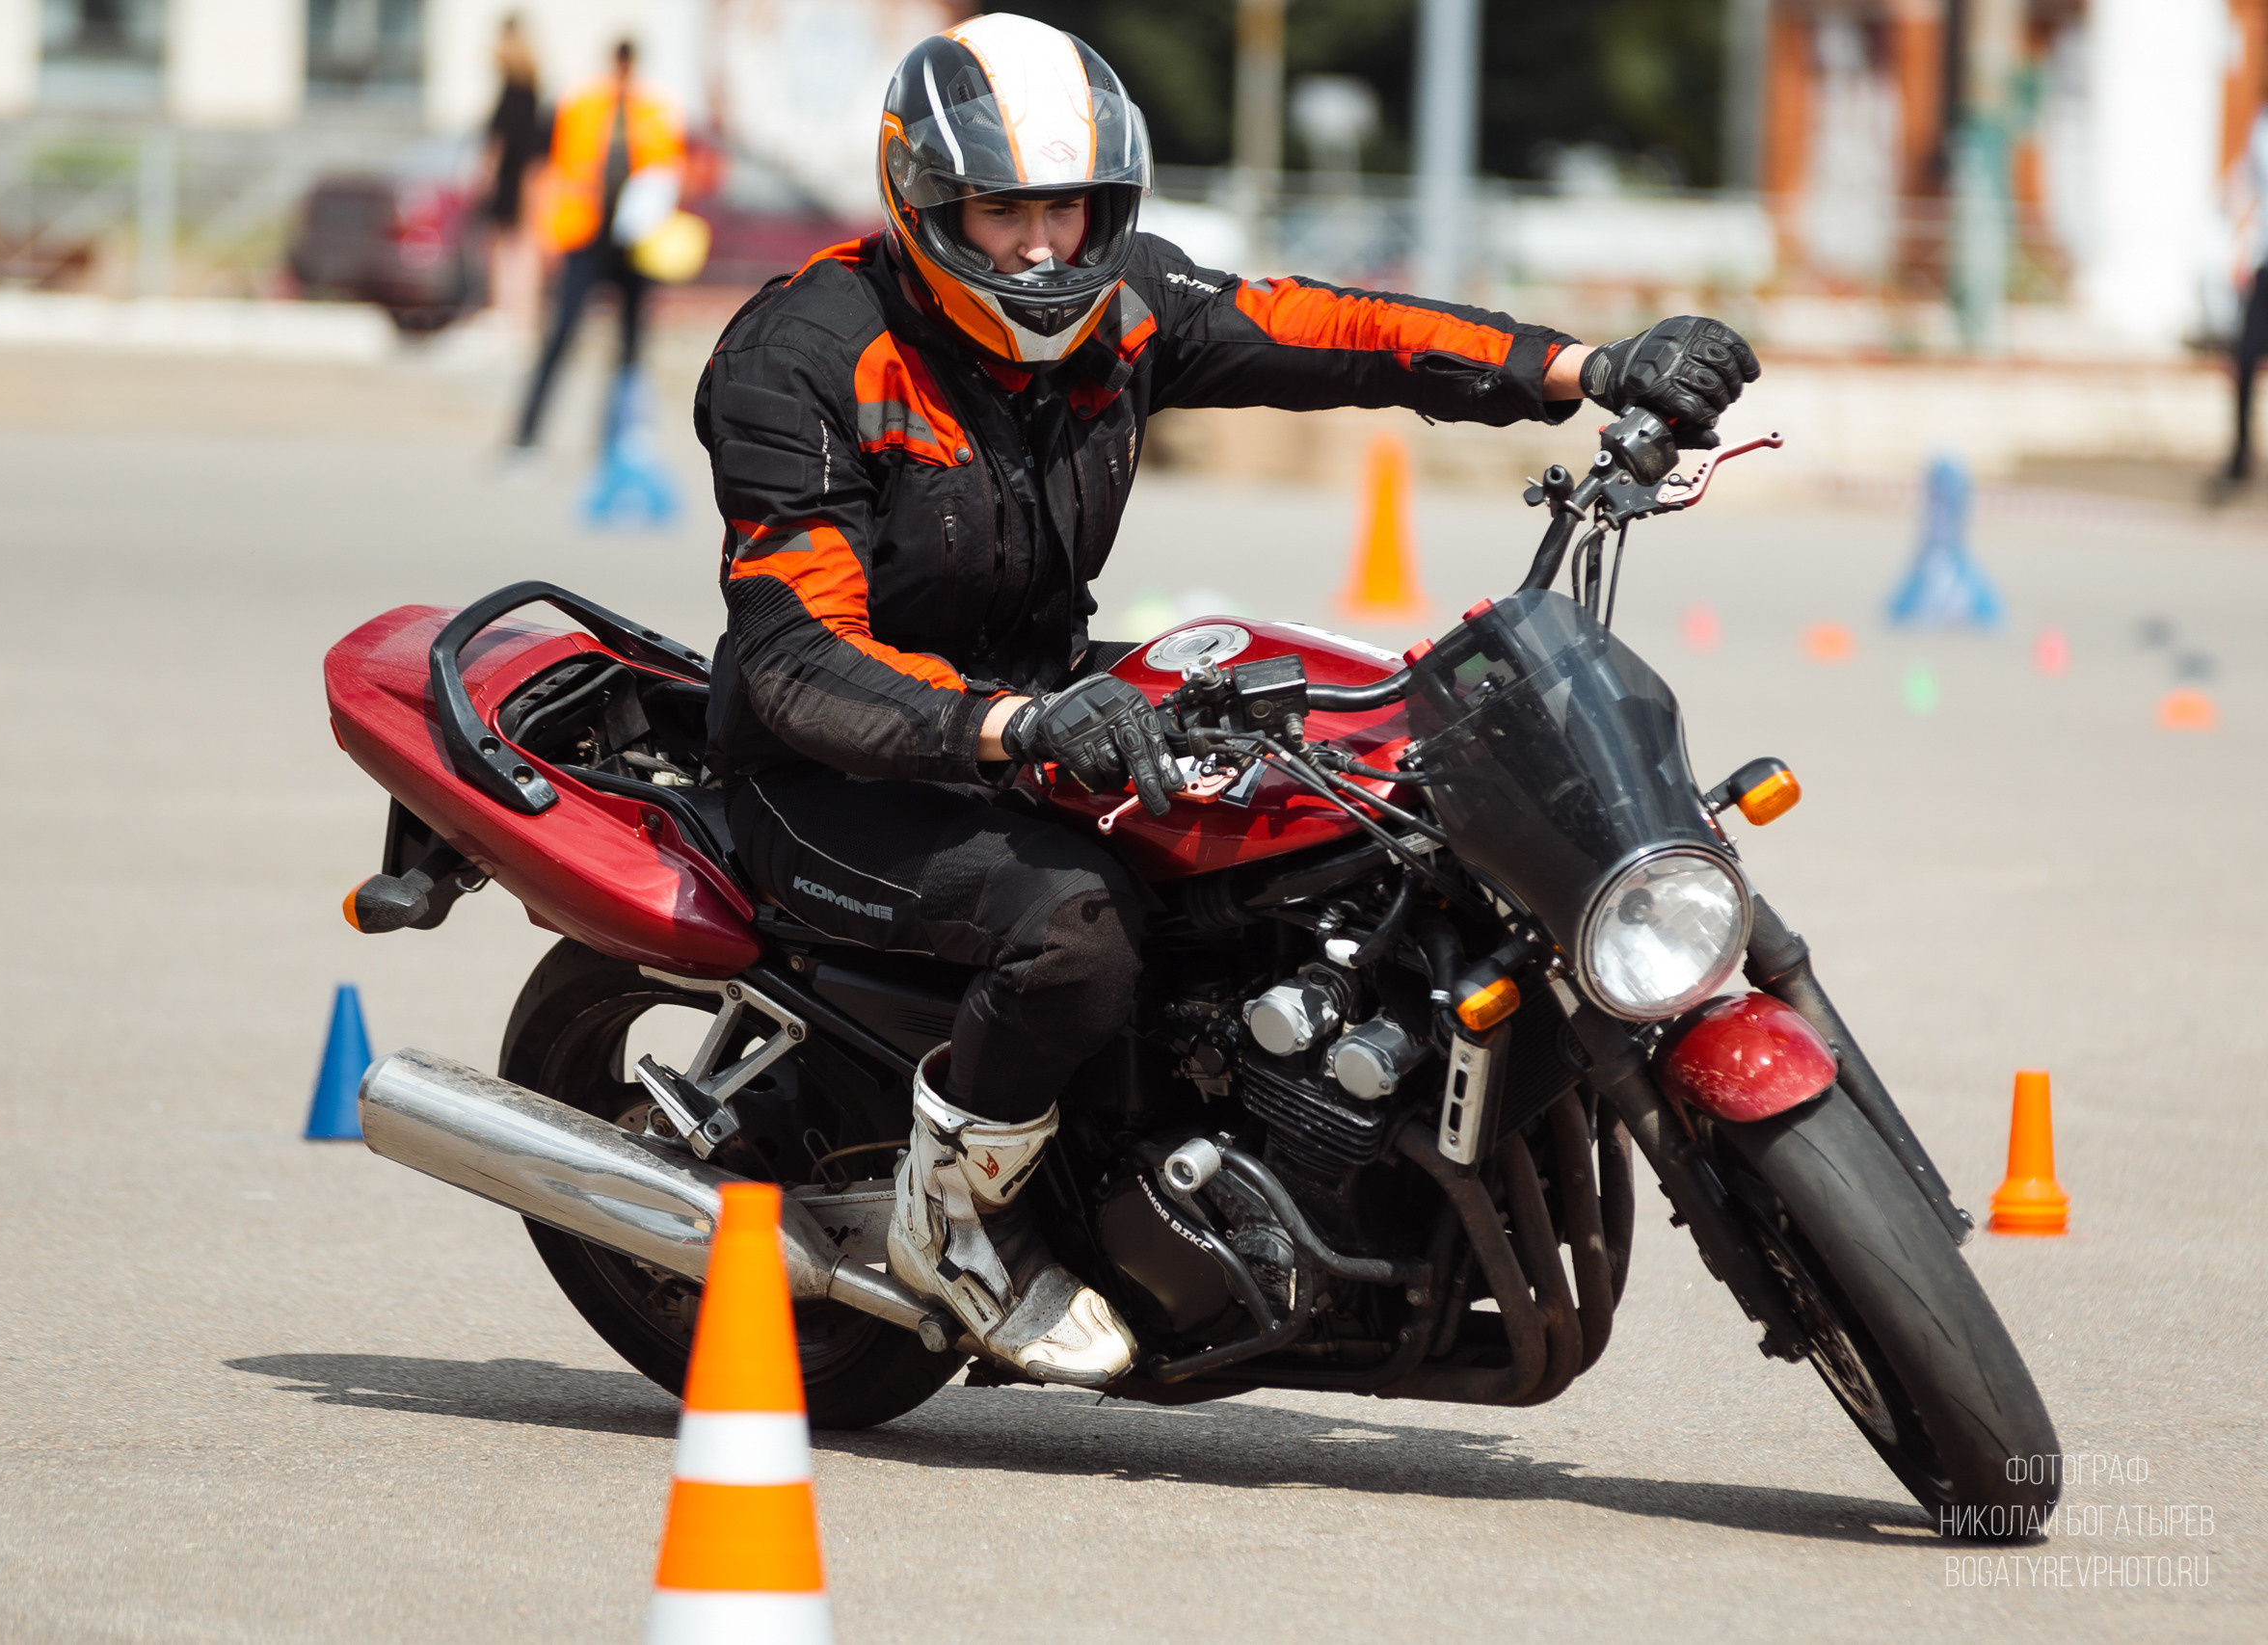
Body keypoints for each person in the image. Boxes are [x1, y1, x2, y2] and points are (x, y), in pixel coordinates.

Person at [694, 13, 1759, 1386]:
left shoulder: (1121, 301)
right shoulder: (807, 355)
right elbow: (797, 654)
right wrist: (1007, 726)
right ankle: (951, 1214)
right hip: (834, 765)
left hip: (1045, 713)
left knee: (1346, 818)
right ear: (926, 203)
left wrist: (1583, 370)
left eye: (1066, 209)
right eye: (1002, 209)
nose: (1040, 246)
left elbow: (1339, 329)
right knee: (1077, 933)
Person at [508, 40, 685, 457]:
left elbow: (672, 170)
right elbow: (549, 168)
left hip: (635, 245)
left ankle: (617, 444)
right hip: (585, 237)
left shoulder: (656, 111)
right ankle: (525, 439)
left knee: (630, 348)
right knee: (561, 338)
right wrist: (546, 234)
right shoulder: (581, 105)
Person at [480, 13, 545, 325]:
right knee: (522, 241)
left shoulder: (511, 85)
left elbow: (500, 136)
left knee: (502, 243)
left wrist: (487, 170)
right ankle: (522, 307)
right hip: (527, 171)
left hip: (510, 172)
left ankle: (504, 306)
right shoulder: (532, 81)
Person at [2217, 104, 2268, 498]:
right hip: (2264, 263)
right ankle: (2240, 454)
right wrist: (2241, 244)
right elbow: (2244, 182)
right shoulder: (2262, 122)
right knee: (2245, 356)